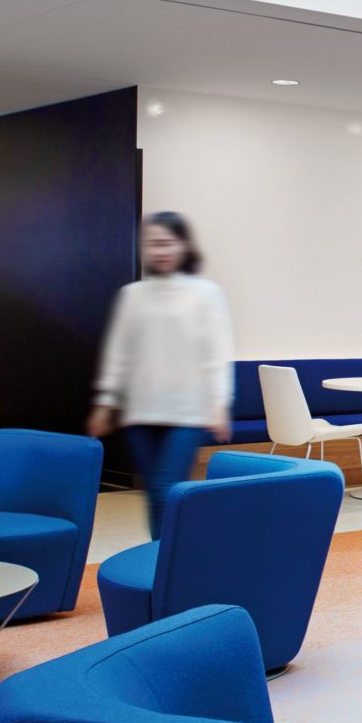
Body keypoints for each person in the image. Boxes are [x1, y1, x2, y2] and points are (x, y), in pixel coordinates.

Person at [87, 211, 234, 539]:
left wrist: (219, 401)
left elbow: (218, 352)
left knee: (167, 488)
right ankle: (164, 561)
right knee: (156, 494)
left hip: (188, 413)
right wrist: (106, 401)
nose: (160, 251)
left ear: (183, 246)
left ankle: (173, 564)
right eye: (153, 244)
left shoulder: (205, 293)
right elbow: (118, 353)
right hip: (140, 412)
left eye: (167, 243)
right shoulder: (132, 295)